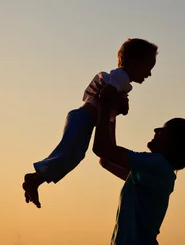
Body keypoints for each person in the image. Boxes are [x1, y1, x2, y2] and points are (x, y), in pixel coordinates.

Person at [23, 38, 158, 209]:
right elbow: (105, 96)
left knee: (73, 156)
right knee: (67, 155)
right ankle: (34, 179)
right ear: (135, 63)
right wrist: (120, 103)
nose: (150, 74)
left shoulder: (121, 81)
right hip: (83, 119)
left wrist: (121, 106)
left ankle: (36, 180)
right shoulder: (121, 76)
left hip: (84, 121)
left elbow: (110, 102)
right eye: (149, 67)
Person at [93, 87, 185, 245]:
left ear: (173, 143)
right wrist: (112, 112)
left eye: (163, 130)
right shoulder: (152, 174)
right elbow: (106, 159)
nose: (156, 130)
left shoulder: (157, 165)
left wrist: (106, 104)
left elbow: (102, 149)